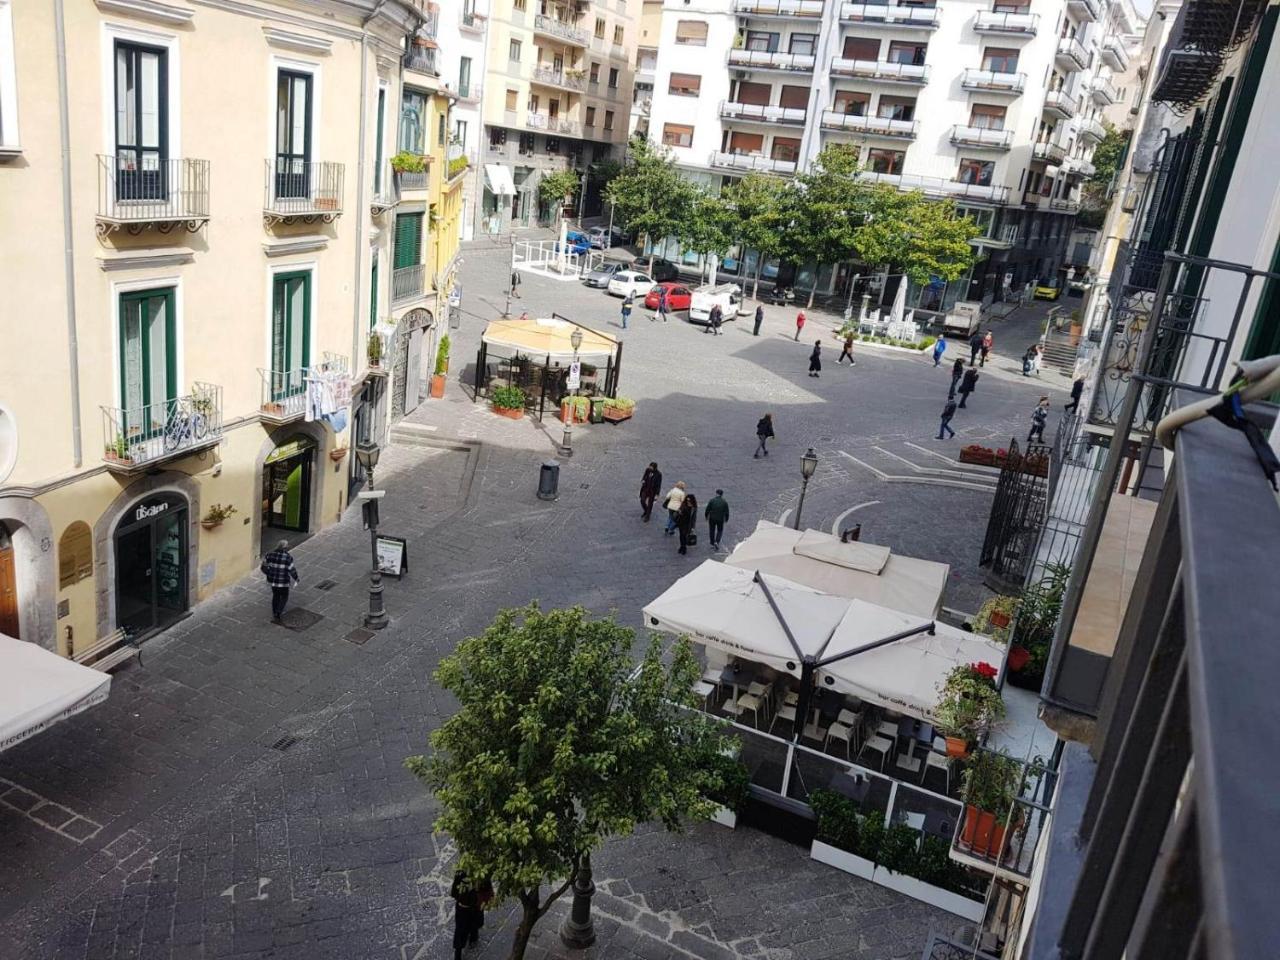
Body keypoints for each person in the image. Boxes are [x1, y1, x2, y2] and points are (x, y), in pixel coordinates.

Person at [450, 871, 492, 960]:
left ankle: (471, 939)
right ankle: (472, 938)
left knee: (462, 929)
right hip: (470, 907)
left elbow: (454, 893)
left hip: (467, 907)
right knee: (466, 927)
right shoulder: (481, 874)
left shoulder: (461, 874)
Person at [261, 539, 300, 623]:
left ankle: (274, 612)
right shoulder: (288, 557)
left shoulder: (269, 555)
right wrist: (296, 578)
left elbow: (263, 567)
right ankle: (278, 613)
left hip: (273, 581)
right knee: (284, 597)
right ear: (285, 548)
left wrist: (269, 574)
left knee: (276, 596)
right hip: (283, 582)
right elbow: (292, 570)